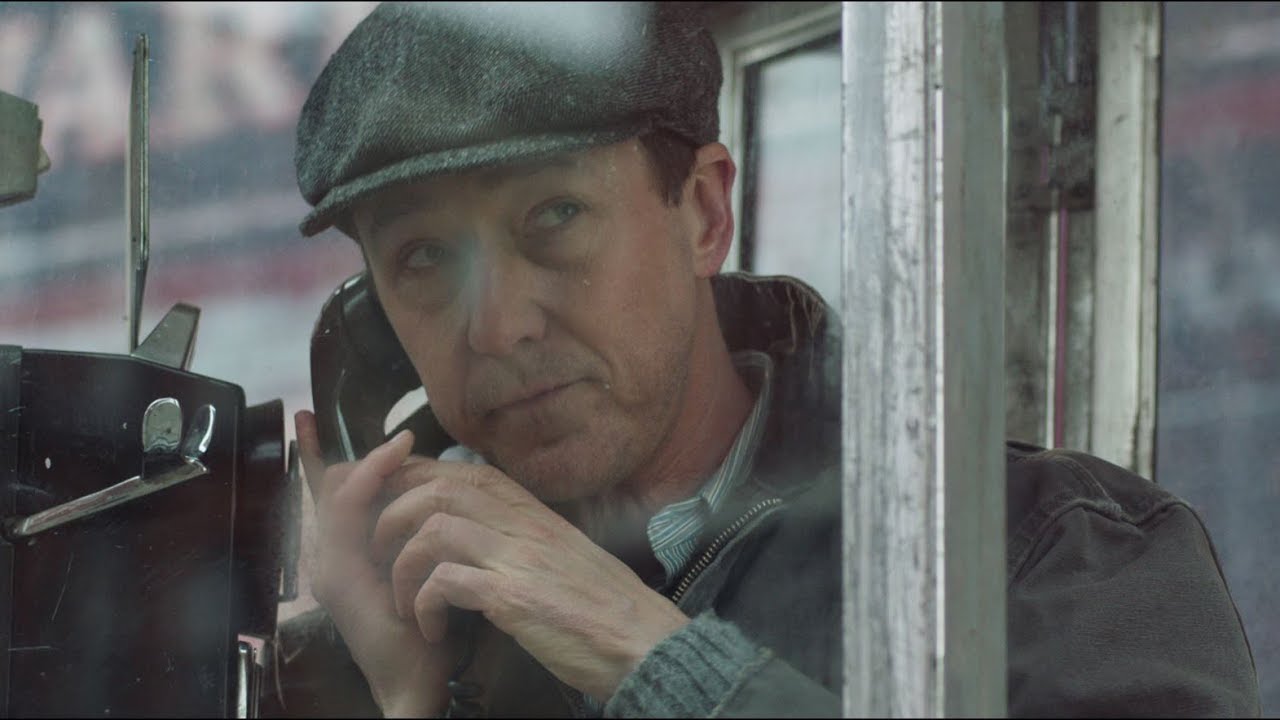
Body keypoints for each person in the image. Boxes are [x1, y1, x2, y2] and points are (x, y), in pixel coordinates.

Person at [265, 3, 1260, 717]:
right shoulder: (402, 629)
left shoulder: (1056, 558)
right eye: (423, 258)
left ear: (702, 213)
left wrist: (653, 662)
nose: (496, 328)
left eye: (554, 216)